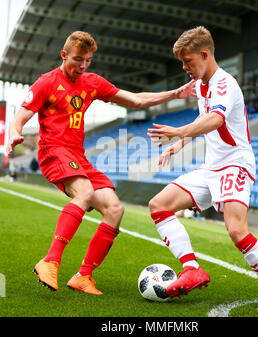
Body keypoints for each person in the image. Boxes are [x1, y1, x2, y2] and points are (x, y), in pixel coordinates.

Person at [6, 31, 195, 295]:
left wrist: (176, 94)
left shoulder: (91, 82)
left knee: (115, 209)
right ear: (64, 55)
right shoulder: (46, 83)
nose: (83, 66)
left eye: (88, 61)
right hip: (54, 151)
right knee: (85, 193)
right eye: (77, 60)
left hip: (78, 157)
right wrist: (14, 133)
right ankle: (50, 260)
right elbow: (20, 117)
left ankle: (83, 276)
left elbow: (136, 99)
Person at [147, 26, 258, 311]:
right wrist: (181, 143)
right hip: (212, 166)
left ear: (204, 54)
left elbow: (215, 119)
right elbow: (205, 121)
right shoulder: (202, 85)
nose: (184, 67)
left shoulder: (225, 83)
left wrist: (179, 132)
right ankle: (192, 269)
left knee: (236, 230)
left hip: (235, 163)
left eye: (188, 61)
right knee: (159, 205)